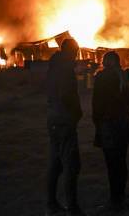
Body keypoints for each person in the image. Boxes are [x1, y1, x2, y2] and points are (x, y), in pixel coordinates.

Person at [45, 38, 85, 216]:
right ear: (71, 51)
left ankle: (51, 204)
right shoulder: (65, 69)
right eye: (75, 51)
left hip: (53, 119)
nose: (76, 55)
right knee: (71, 165)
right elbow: (66, 95)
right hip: (64, 120)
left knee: (55, 163)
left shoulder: (53, 67)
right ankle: (73, 208)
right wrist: (77, 112)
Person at [92, 52, 129, 211]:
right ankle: (121, 195)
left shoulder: (101, 78)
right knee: (121, 161)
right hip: (123, 124)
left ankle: (115, 198)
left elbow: (96, 104)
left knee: (111, 163)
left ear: (104, 62)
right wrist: (122, 110)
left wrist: (98, 121)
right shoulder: (125, 77)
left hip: (108, 125)